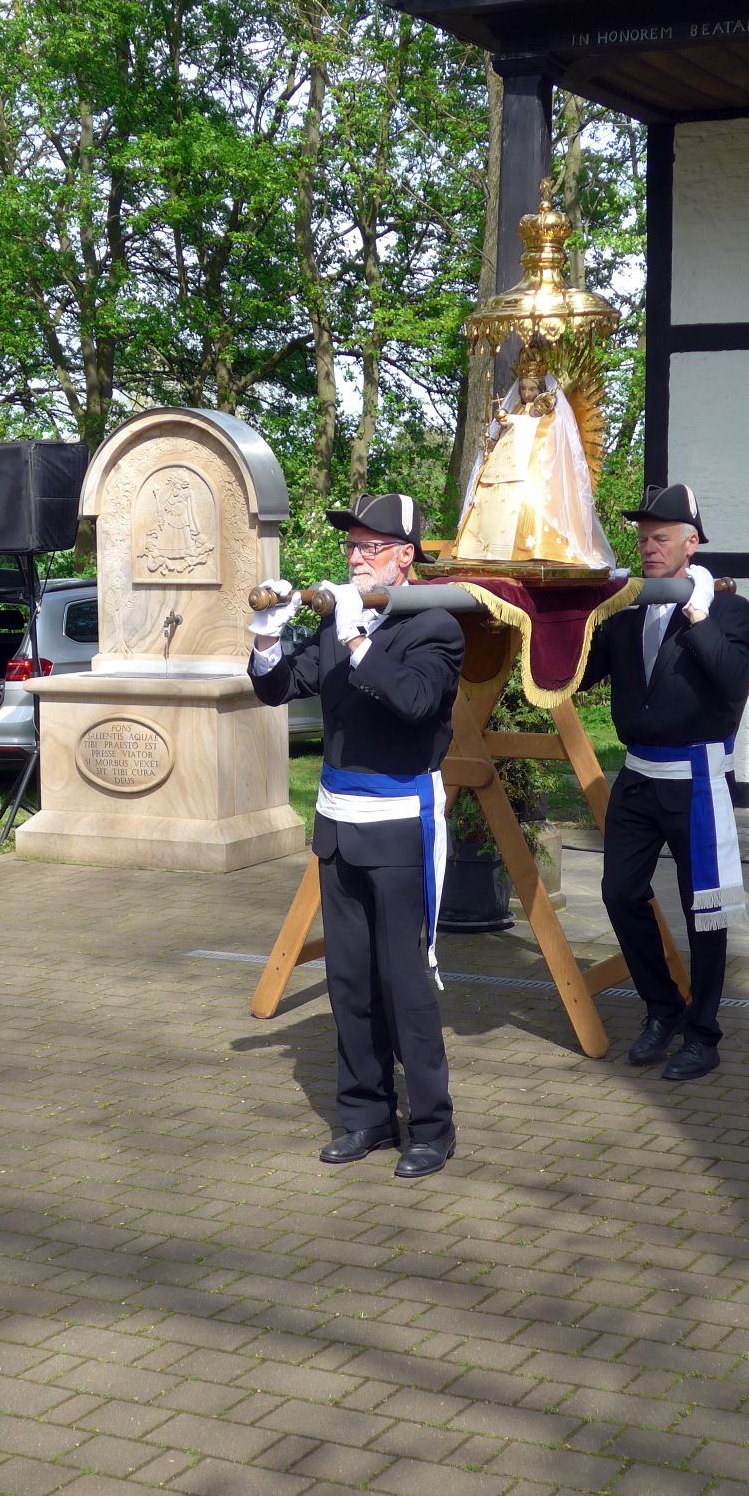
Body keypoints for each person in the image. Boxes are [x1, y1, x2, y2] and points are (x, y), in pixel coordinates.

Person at [248, 493, 464, 1177]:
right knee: (349, 982)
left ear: (405, 557)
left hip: (398, 825)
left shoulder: (436, 624)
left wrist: (356, 641)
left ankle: (431, 1127)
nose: (355, 558)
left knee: (404, 983)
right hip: (338, 826)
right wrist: (266, 637)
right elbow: (279, 688)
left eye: (370, 547)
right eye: (351, 546)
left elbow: (416, 703)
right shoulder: (341, 616)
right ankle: (365, 1117)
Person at [581, 483, 749, 1082]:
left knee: (704, 910)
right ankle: (663, 1008)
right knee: (619, 892)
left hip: (695, 780)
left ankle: (703, 1033)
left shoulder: (728, 609)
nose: (648, 548)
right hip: (637, 778)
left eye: (660, 538)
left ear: (691, 543)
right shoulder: (627, 610)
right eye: (643, 539)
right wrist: (572, 615)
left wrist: (698, 613)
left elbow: (732, 682)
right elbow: (580, 673)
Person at [454, 344, 614, 570]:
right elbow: (501, 432)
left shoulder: (547, 415)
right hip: (504, 464)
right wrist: (499, 426)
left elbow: (542, 435)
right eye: (523, 389)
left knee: (530, 503)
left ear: (540, 389)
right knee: (490, 499)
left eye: (531, 389)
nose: (527, 394)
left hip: (534, 469)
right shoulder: (516, 409)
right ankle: (483, 546)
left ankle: (535, 547)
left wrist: (513, 421)